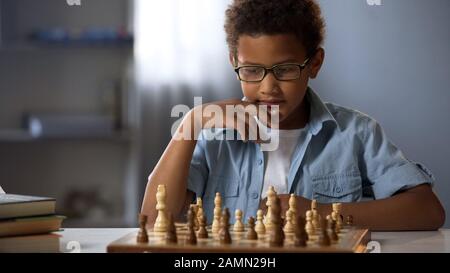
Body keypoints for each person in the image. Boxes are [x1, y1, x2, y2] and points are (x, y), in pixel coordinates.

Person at [141, 0, 445, 231]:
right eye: (251, 70)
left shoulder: (356, 132)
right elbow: (153, 221)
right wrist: (191, 122)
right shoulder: (214, 139)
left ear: (314, 63)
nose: (268, 87)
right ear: (234, 62)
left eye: (285, 69)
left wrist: (322, 213)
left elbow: (428, 211)